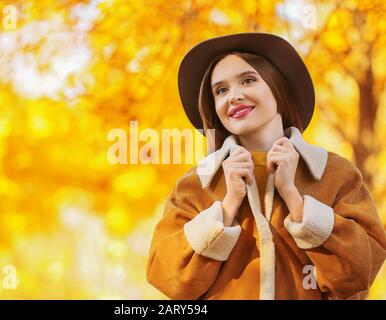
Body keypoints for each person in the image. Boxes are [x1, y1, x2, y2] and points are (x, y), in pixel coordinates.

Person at [146, 32, 386, 300]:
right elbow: (169, 279)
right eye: (221, 90)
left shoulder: (335, 173)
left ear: (277, 87)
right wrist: (226, 208)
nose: (233, 96)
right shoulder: (195, 185)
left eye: (248, 80)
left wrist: (295, 199)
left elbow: (361, 269)